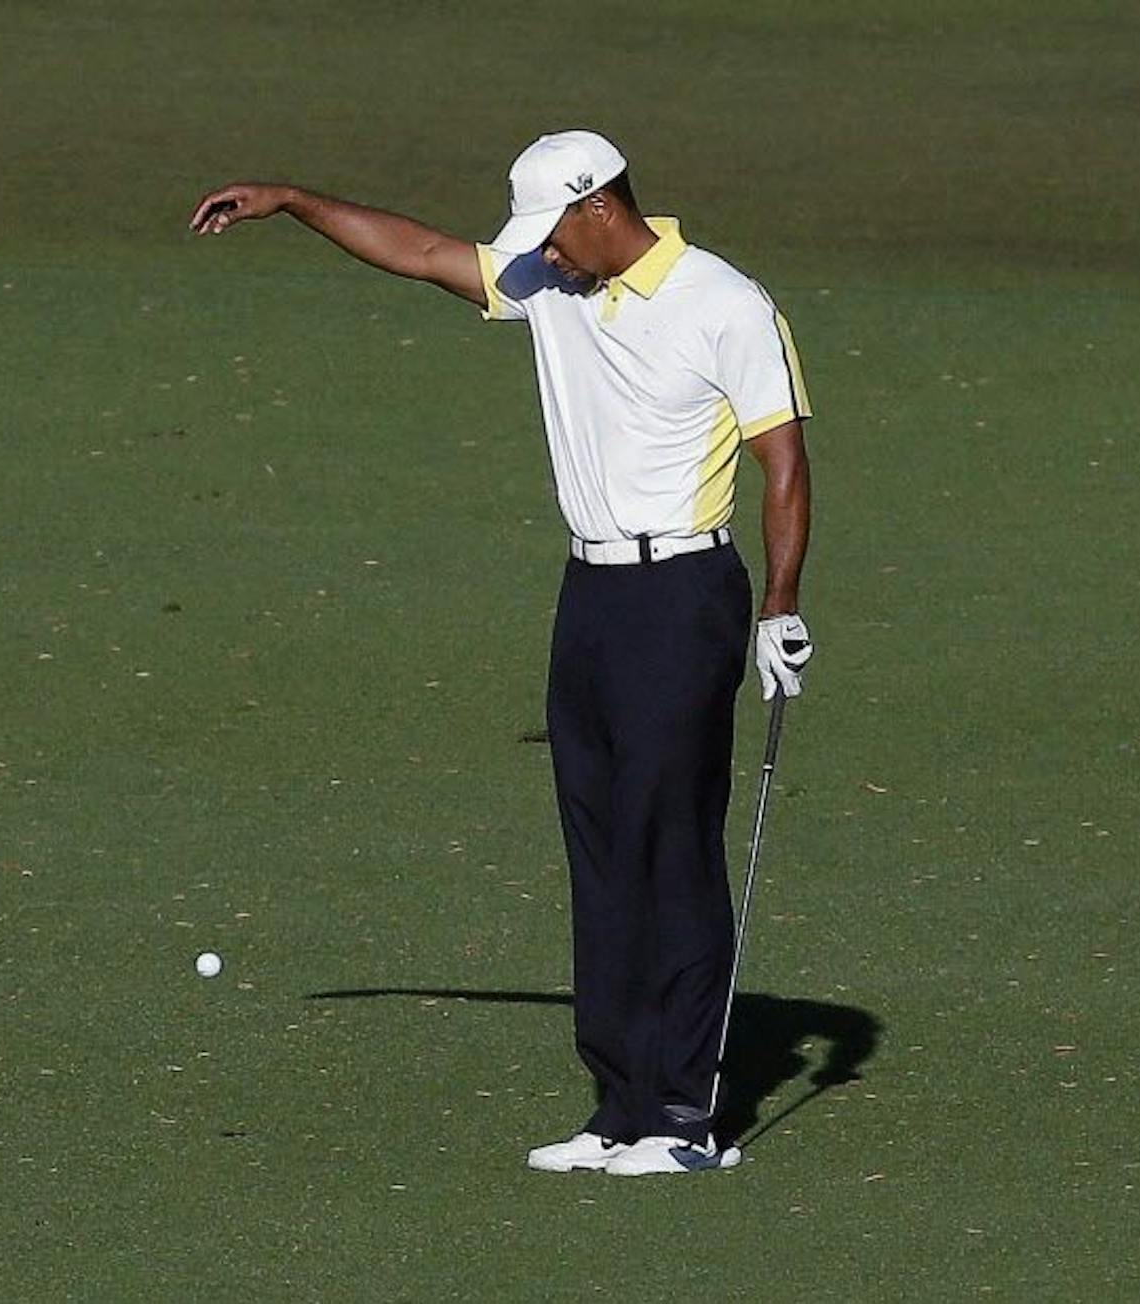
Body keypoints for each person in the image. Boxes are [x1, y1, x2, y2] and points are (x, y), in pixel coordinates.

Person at [189, 130, 813, 1176]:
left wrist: (780, 607)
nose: (539, 254)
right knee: (599, 845)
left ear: (598, 206)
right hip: (592, 594)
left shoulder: (724, 301)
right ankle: (617, 1105)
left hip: (685, 590)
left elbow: (784, 460)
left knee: (670, 840)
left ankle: (684, 1114)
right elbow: (426, 253)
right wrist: (293, 199)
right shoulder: (553, 281)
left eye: (553, 231)